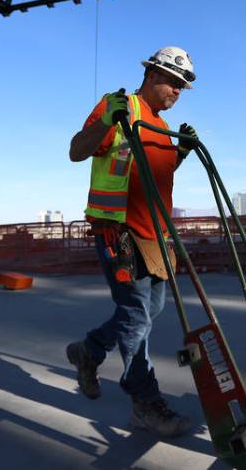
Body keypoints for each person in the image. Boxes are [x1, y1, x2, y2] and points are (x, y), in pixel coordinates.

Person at [66, 46, 199, 438]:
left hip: (154, 236)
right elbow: (77, 151)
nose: (178, 91)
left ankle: (89, 351)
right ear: (153, 75)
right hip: (120, 233)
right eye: (175, 82)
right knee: (137, 315)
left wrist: (182, 153)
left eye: (183, 86)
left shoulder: (159, 124)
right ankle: (144, 402)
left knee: (148, 308)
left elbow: (151, 172)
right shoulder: (121, 107)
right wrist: (106, 120)